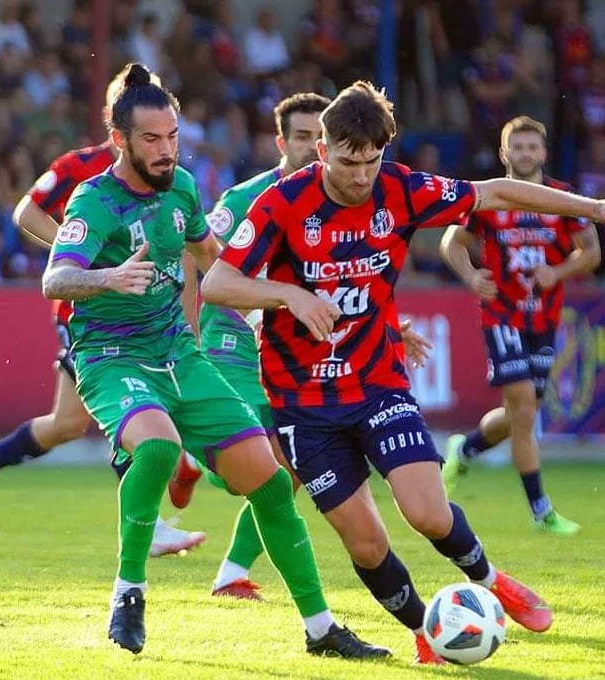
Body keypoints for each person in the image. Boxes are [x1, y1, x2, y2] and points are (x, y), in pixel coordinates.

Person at [200, 81, 605, 664]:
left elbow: (494, 193)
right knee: (366, 542)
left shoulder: (402, 189)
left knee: (428, 513)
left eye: (371, 161)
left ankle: (493, 582)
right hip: (301, 403)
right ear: (322, 152)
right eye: (347, 161)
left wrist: (590, 207)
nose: (361, 176)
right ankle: (427, 630)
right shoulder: (281, 203)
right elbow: (216, 284)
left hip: (376, 382)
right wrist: (289, 295)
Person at [42, 63, 389, 659]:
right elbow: (56, 278)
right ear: (120, 139)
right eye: (152, 139)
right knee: (154, 449)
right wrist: (108, 277)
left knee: (275, 485)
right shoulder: (95, 201)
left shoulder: (181, 187)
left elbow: (210, 252)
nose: (166, 149)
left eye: (173, 136)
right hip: (111, 357)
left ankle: (320, 630)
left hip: (181, 352)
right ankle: (128, 593)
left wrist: (280, 297)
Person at [169, 92, 434, 602]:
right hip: (235, 342)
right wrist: (190, 334)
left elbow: (344, 284)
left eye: (319, 132)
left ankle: (230, 571)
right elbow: (200, 262)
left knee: (286, 468)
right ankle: (193, 463)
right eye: (299, 135)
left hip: (296, 355)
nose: (312, 142)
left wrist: (390, 329)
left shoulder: (343, 198)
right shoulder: (249, 198)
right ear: (284, 142)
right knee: (260, 464)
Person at [0, 66, 204, 557]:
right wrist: (71, 254)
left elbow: (189, 256)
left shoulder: (169, 182)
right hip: (86, 309)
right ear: (117, 123)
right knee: (121, 404)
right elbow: (25, 212)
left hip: (147, 314)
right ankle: (148, 520)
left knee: (67, 423)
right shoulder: (80, 168)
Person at [439, 115, 601, 536]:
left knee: (519, 415)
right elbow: (450, 242)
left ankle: (466, 447)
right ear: (504, 153)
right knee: (525, 408)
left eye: (533, 147)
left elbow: (591, 251)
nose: (526, 153)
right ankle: (541, 511)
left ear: (543, 154)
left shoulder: (562, 198)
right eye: (518, 146)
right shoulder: (490, 199)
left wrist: (558, 273)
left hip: (543, 321)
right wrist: (472, 276)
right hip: (502, 316)